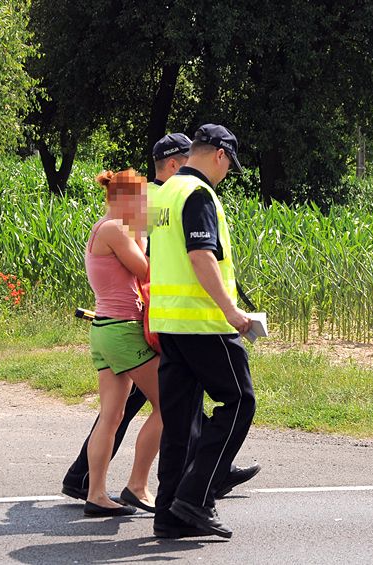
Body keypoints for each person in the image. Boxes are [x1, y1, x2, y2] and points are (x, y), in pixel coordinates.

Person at [62, 134, 259, 508]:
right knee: (173, 408)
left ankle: (88, 484)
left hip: (115, 325)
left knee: (120, 411)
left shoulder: (134, 212)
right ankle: (145, 483)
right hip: (135, 326)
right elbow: (151, 266)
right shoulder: (146, 212)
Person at [149, 124, 257, 539]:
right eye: (230, 164)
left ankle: (170, 515)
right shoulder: (198, 194)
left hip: (168, 323)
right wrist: (232, 311)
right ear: (219, 155)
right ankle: (196, 496)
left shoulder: (161, 195)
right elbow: (200, 256)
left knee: (180, 424)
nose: (227, 172)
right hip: (202, 323)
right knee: (239, 402)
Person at [77, 169, 161, 517]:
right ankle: (137, 486)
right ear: (124, 200)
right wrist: (143, 231)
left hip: (104, 329)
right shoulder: (114, 230)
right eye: (141, 200)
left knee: (111, 417)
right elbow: (146, 270)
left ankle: (96, 494)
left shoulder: (106, 228)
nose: (145, 206)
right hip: (123, 330)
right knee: (170, 405)